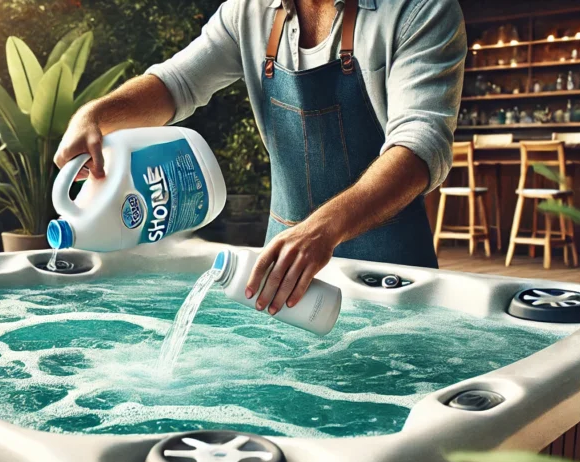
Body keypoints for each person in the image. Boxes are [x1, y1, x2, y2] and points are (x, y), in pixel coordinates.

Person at [54, 0, 466, 316]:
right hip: (282, 269)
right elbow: (176, 84)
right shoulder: (248, 10)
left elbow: (419, 145)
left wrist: (322, 230)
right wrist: (96, 115)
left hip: (391, 272)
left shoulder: (421, 10)